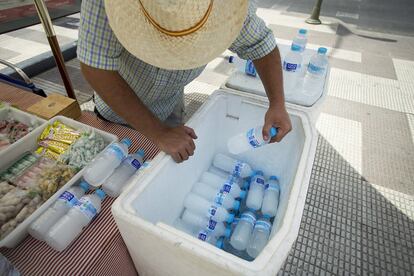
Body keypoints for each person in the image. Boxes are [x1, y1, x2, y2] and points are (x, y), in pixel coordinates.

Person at [78, 0, 292, 163]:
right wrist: (158, 133)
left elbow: (261, 44)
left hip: (170, 102)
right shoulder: (105, 3)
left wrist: (277, 104)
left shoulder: (224, 6)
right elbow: (96, 66)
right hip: (118, 112)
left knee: (162, 164)